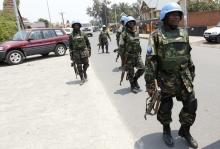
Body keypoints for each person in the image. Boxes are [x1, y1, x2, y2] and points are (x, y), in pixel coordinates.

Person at [144, 2, 198, 148]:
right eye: (172, 15)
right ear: (165, 16)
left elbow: (188, 56)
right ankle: (166, 130)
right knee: (165, 107)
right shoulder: (156, 35)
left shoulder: (183, 33)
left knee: (191, 104)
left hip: (184, 78)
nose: (175, 17)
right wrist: (150, 84)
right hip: (165, 79)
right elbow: (150, 61)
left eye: (178, 15)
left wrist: (191, 73)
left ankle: (185, 130)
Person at [119, 16, 145, 93]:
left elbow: (138, 44)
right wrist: (123, 59)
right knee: (130, 72)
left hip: (137, 55)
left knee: (142, 68)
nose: (131, 24)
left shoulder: (136, 32)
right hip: (129, 57)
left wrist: (140, 52)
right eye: (129, 23)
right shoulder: (124, 34)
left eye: (133, 23)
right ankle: (132, 85)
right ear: (126, 24)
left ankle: (135, 80)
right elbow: (121, 47)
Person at [69, 20, 91, 85]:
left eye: (77, 25)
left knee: (86, 64)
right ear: (73, 26)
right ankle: (82, 79)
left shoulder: (83, 34)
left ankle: (84, 72)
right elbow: (70, 46)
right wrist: (71, 55)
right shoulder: (71, 36)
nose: (76, 26)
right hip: (76, 53)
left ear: (79, 26)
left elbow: (88, 43)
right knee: (79, 66)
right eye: (75, 25)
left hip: (84, 51)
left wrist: (89, 51)